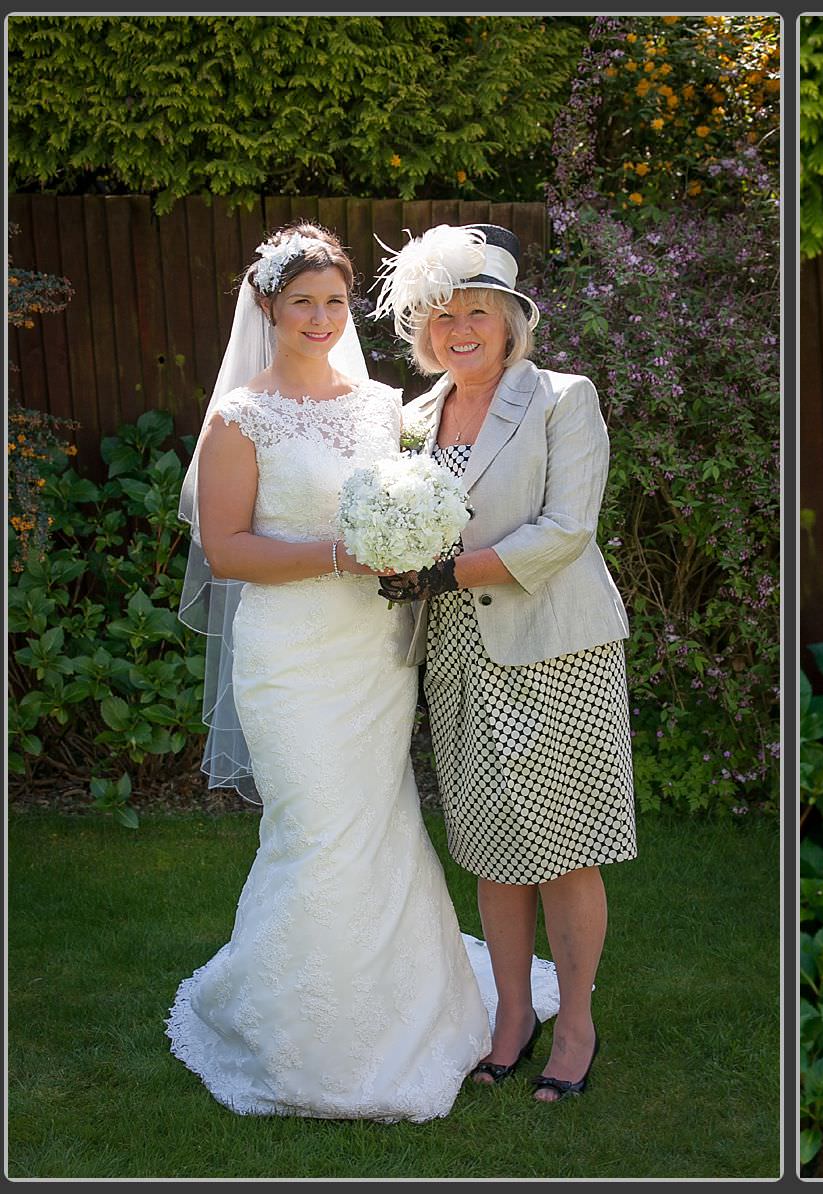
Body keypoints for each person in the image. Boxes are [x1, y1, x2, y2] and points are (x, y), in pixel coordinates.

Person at [165, 223, 557, 1123]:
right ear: (267, 307)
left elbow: (429, 495)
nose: (319, 315)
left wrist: (414, 535)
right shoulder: (240, 417)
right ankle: (303, 1035)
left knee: (379, 821)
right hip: (291, 653)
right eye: (301, 300)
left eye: (335, 299)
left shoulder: (386, 407)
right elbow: (226, 550)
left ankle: (410, 1007)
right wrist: (344, 552)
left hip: (376, 656)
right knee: (317, 831)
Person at [371, 223, 636, 1102]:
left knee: (564, 848)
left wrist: (442, 571)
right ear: (422, 332)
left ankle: (580, 1023)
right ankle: (513, 1015)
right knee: (489, 849)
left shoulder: (564, 398)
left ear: (512, 319)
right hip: (455, 653)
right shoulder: (411, 420)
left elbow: (567, 530)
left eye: (477, 312)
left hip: (554, 648)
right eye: (441, 317)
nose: (460, 330)